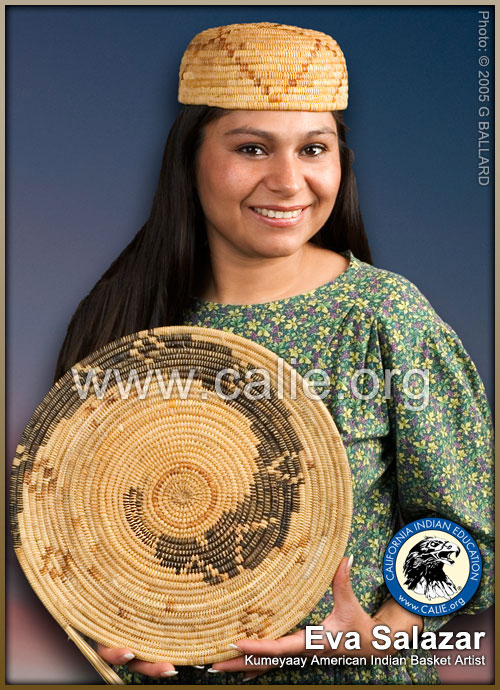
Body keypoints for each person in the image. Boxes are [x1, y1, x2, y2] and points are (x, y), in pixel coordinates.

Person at [54, 23, 493, 685]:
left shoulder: (383, 317)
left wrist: (385, 632)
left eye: (313, 148)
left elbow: (468, 534)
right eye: (253, 147)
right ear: (190, 159)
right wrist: (113, 632)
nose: (288, 181)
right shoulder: (123, 319)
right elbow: (83, 536)